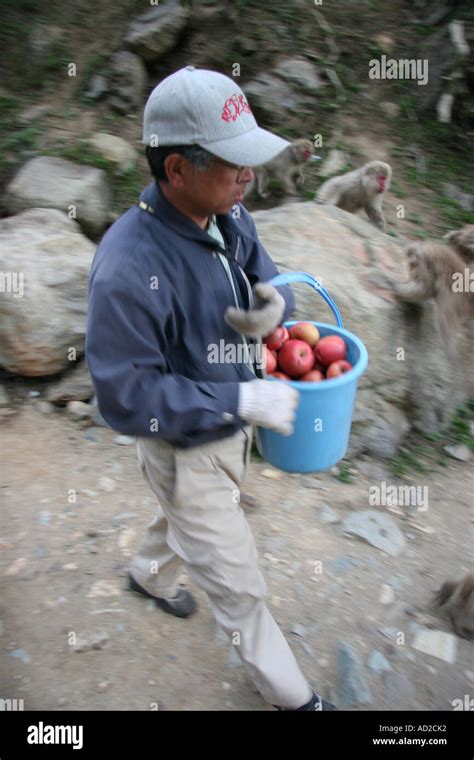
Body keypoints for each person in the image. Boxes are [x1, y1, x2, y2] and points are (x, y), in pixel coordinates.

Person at [86, 66, 336, 711]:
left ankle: (147, 574)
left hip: (229, 425)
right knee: (238, 583)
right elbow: (127, 399)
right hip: (183, 440)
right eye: (234, 164)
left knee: (184, 515)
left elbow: (261, 267)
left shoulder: (225, 211)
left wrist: (273, 303)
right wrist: (241, 400)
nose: (249, 175)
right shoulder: (127, 267)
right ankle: (295, 699)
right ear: (176, 169)